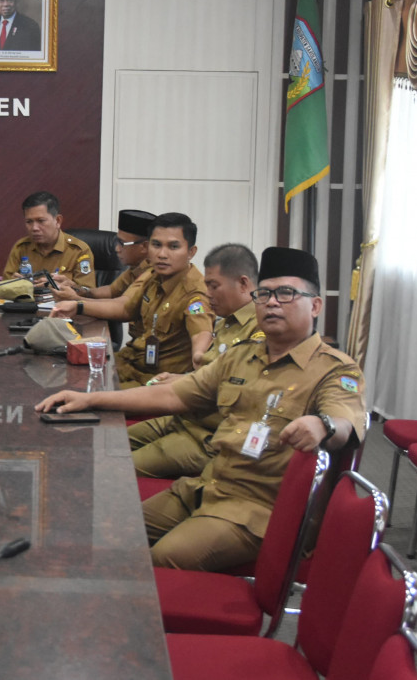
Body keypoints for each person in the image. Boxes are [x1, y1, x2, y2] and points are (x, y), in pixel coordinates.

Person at [38, 247, 365, 571]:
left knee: (160, 561)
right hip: (207, 487)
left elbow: (345, 420)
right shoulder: (242, 356)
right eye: (264, 294)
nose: (272, 302)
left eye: (286, 293)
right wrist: (90, 399)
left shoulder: (336, 370)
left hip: (259, 510)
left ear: (316, 305)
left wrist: (322, 425)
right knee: (107, 531)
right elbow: (173, 397)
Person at [128, 243, 261, 478]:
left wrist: (185, 381)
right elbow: (210, 373)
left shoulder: (259, 332)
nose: (207, 293)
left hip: (205, 436)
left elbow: (233, 390)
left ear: (243, 283)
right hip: (183, 418)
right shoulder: (226, 323)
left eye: (214, 286)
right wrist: (183, 377)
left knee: (115, 467)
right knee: (110, 443)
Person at [50, 212, 213, 389]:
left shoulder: (196, 295)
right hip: (129, 364)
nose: (162, 254)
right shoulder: (153, 275)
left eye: (173, 247)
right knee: (61, 371)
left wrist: (196, 369)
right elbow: (126, 308)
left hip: (152, 382)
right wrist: (78, 304)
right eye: (156, 245)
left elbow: (201, 340)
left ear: (191, 252)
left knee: (82, 393)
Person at [50, 208, 155, 301]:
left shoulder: (151, 273)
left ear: (144, 247)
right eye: (117, 242)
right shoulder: (135, 268)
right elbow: (110, 291)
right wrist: (76, 289)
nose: (117, 249)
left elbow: (121, 308)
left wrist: (77, 300)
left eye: (122, 243)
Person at [2, 191, 96, 289]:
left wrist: (66, 286)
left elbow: (88, 293)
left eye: (41, 221)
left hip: (62, 303)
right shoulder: (21, 248)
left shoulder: (78, 250)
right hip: (28, 303)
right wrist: (12, 283)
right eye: (29, 222)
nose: (34, 228)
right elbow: (4, 288)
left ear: (58, 221)